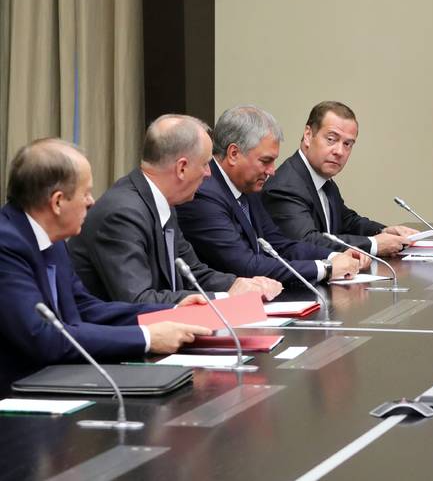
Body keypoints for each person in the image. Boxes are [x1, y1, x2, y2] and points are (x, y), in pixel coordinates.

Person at [0, 139, 210, 391]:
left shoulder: (51, 239)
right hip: (16, 397)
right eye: (85, 193)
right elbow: (41, 336)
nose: (91, 202)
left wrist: (170, 312)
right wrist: (146, 338)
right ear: (57, 202)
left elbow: (84, 308)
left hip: (57, 381)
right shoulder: (7, 244)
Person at [68, 115, 283, 305]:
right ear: (181, 168)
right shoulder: (122, 213)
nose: (209, 173)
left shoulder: (162, 203)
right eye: (205, 164)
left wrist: (241, 284)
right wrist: (224, 298)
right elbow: (138, 300)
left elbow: (193, 273)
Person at [177, 106, 362, 286]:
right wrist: (325, 268)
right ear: (234, 154)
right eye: (265, 161)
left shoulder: (247, 187)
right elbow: (245, 265)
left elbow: (280, 245)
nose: (272, 171)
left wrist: (334, 256)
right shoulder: (204, 195)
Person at [261, 101, 417, 257]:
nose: (340, 151)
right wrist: (375, 244)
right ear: (308, 136)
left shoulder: (323, 181)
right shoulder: (286, 186)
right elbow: (306, 241)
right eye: (331, 139)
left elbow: (347, 221)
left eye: (348, 144)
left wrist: (384, 231)